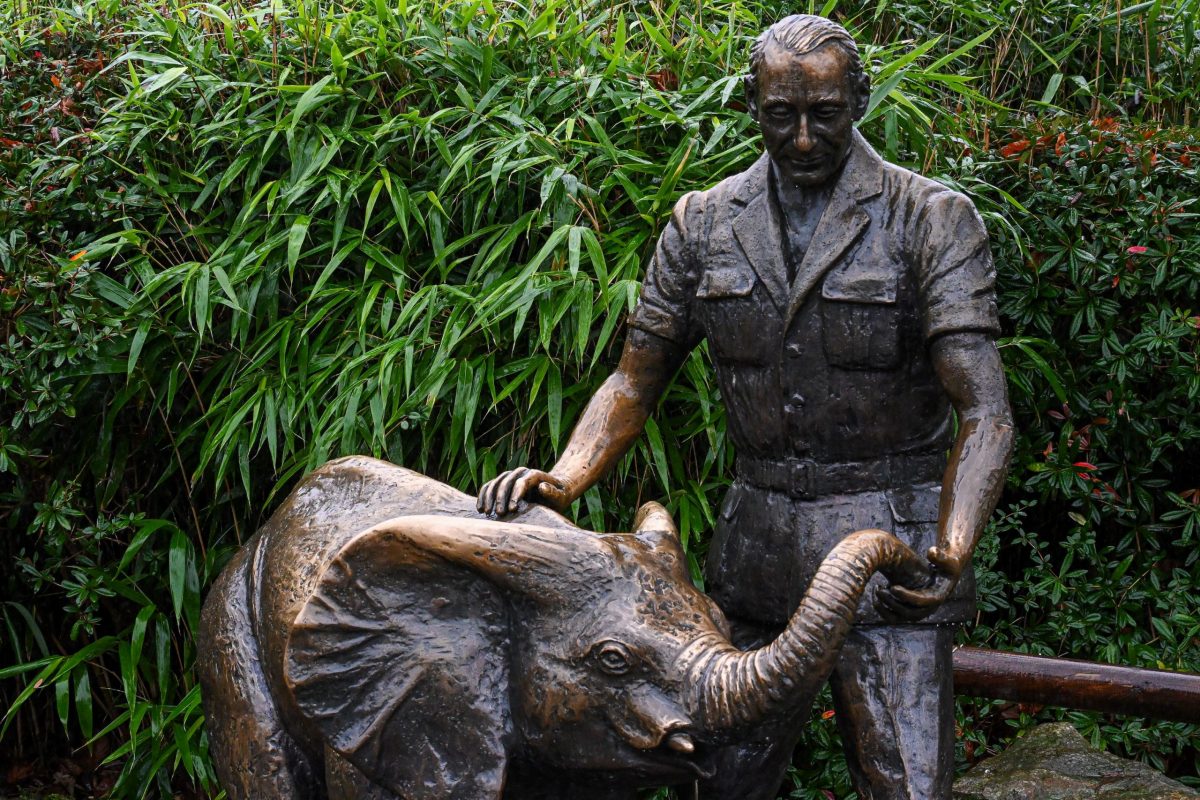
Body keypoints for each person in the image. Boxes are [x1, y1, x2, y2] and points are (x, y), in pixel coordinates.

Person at [478, 14, 1014, 800]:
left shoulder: (929, 219)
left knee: (907, 786)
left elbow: (987, 410)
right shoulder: (703, 221)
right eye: (780, 115)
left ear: (859, 99)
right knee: (721, 784)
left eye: (824, 114)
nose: (801, 138)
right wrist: (564, 479)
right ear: (751, 103)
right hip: (755, 561)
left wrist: (954, 541)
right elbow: (635, 379)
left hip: (889, 563)